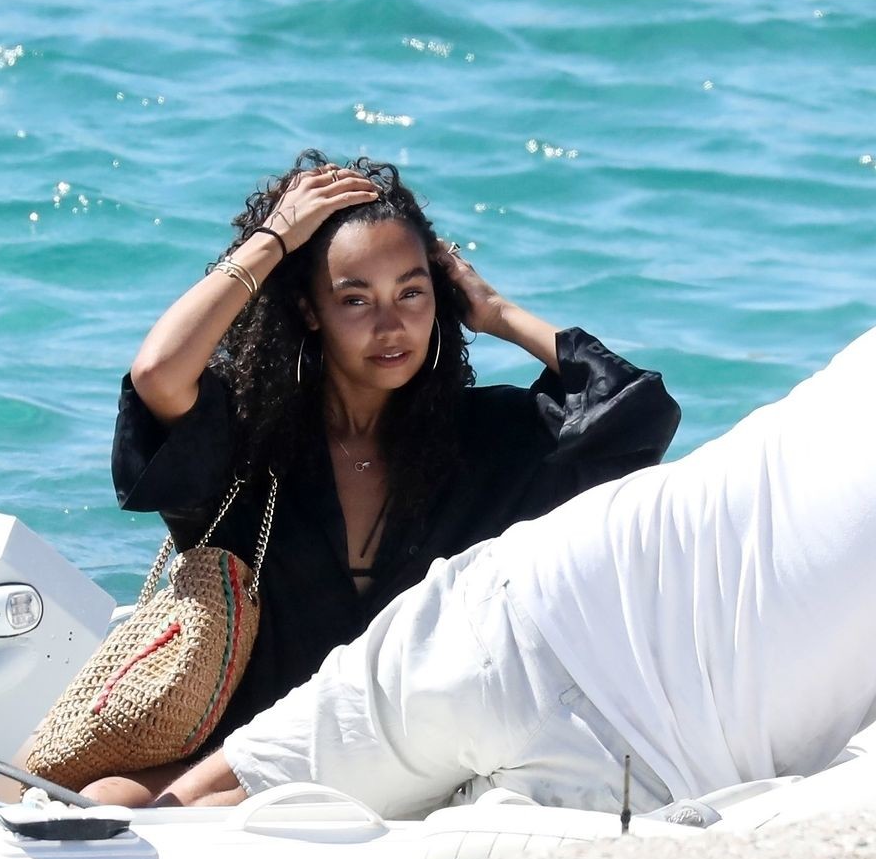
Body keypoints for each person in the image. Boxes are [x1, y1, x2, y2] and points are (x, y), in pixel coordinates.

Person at [84, 149, 679, 803]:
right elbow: (158, 373)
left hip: (415, 764)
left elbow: (637, 413)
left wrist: (497, 311)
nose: (391, 326)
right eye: (355, 299)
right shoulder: (250, 443)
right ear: (310, 309)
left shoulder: (487, 439)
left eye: (412, 292)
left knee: (170, 807)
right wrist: (272, 243)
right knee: (111, 793)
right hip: (248, 748)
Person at [141, 321, 876, 817]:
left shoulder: (860, 370)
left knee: (204, 799)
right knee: (252, 818)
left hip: (526, 603)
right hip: (639, 749)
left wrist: (492, 311)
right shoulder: (282, 447)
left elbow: (634, 410)